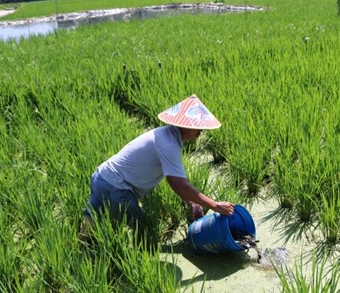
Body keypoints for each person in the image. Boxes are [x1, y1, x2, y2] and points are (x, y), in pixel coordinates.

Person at [78, 94, 235, 245]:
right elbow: (178, 184)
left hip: (101, 177)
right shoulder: (169, 145)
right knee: (141, 226)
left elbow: (175, 181)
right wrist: (215, 205)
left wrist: (192, 202)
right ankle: (139, 261)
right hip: (115, 185)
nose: (201, 132)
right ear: (186, 126)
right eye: (198, 128)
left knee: (91, 218)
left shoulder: (164, 136)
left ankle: (78, 249)